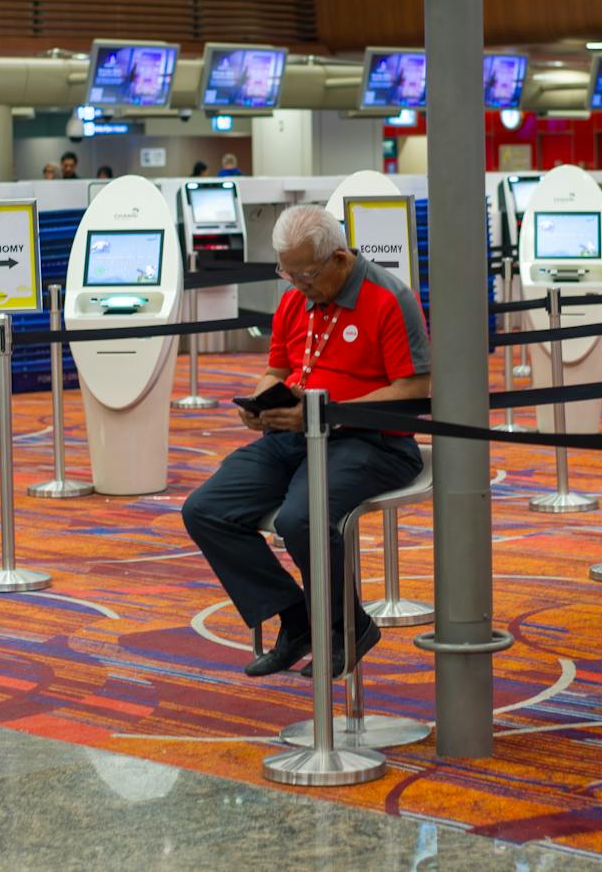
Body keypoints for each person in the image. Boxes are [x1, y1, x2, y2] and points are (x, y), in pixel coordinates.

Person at [181, 205, 431, 680]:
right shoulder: (297, 298)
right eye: (287, 273)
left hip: (373, 441)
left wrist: (328, 411)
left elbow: (414, 389)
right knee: (205, 509)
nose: (298, 285)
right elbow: (277, 370)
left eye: (307, 274)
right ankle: (298, 621)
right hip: (296, 433)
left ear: (339, 257)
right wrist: (258, 402)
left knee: (302, 518)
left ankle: (344, 627)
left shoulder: (388, 297)